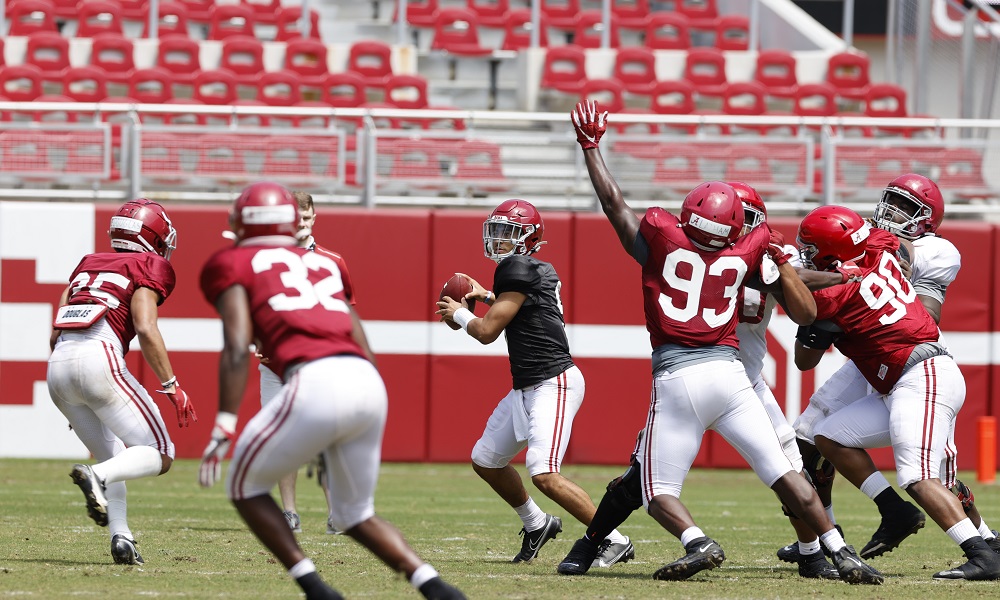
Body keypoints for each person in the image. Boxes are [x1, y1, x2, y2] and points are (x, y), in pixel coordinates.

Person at [569, 99, 883, 584]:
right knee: (786, 473)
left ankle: (698, 541)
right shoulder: (755, 255)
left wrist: (591, 146)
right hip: (735, 377)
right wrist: (834, 272)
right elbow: (799, 295)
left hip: (679, 375)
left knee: (654, 487)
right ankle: (839, 551)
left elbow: (615, 204)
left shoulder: (664, 240)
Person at [199, 182, 464, 600]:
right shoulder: (323, 264)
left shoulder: (231, 262)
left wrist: (224, 423)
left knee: (242, 486)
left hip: (313, 380)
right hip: (365, 380)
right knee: (355, 513)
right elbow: (359, 337)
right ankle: (438, 589)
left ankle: (316, 588)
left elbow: (236, 347)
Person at [778, 174, 999, 564]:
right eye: (891, 201)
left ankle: (983, 542)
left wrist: (822, 281)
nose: (893, 212)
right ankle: (828, 538)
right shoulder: (874, 242)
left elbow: (925, 311)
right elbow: (853, 257)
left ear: (928, 219)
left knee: (928, 473)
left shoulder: (936, 250)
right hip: (874, 357)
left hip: (911, 352)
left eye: (907, 207)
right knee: (813, 435)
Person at [434, 198, 634, 568]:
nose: (499, 240)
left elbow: (487, 331)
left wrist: (459, 312)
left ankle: (614, 538)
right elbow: (524, 307)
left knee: (543, 472)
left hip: (552, 382)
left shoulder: (518, 267)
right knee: (486, 459)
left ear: (528, 237)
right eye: (495, 231)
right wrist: (490, 296)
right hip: (528, 385)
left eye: (507, 233)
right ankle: (536, 523)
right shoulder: (531, 269)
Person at [49, 199, 197, 566]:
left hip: (58, 366)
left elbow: (57, 329)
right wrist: (172, 385)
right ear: (153, 236)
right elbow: (145, 327)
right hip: (99, 358)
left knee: (118, 457)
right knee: (160, 453)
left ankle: (122, 538)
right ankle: (95, 476)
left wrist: (74, 396)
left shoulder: (88, 263)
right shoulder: (151, 264)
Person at [258, 191, 356, 536]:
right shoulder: (264, 258)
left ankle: (336, 513)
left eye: (307, 217)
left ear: (315, 218)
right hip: (274, 365)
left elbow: (346, 311)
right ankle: (289, 512)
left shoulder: (332, 260)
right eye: (296, 217)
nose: (302, 223)